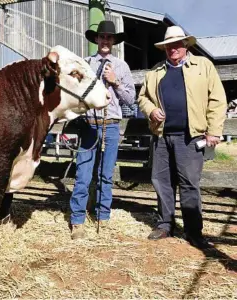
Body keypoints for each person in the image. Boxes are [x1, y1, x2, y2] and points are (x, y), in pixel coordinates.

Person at [137, 25, 227, 249]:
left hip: (191, 138)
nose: (173, 49)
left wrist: (214, 130)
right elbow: (142, 98)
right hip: (162, 136)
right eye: (169, 45)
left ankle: (194, 231)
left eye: (177, 44)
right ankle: (165, 224)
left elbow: (217, 99)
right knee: (162, 182)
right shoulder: (155, 72)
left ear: (186, 45)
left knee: (189, 184)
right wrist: (150, 110)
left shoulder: (203, 66)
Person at [69, 20, 136, 240]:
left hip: (111, 125)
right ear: (96, 39)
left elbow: (130, 100)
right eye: (102, 37)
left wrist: (115, 82)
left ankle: (102, 216)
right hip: (89, 125)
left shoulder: (122, 66)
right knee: (83, 174)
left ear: (114, 41)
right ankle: (77, 220)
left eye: (109, 37)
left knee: (106, 175)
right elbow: (75, 95)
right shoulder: (86, 64)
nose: (105, 40)